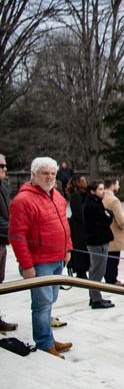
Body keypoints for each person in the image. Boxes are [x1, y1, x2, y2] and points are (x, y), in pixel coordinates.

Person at [8, 157, 73, 358]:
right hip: (39, 261)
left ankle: (48, 337)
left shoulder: (58, 197)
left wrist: (67, 249)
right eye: (45, 173)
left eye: (52, 173)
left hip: (57, 259)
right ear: (33, 175)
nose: (50, 177)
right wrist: (27, 265)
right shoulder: (23, 200)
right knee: (42, 303)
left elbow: (64, 225)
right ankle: (44, 342)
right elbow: (17, 236)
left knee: (50, 300)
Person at [82, 181, 115, 309]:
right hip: (97, 242)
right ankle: (96, 299)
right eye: (100, 189)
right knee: (97, 271)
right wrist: (108, 215)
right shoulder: (92, 205)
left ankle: (95, 296)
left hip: (98, 240)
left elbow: (108, 214)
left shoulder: (95, 203)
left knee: (96, 270)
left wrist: (108, 214)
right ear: (92, 191)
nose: (103, 191)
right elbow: (106, 219)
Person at [0, 153, 18, 332]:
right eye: (1, 166)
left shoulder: (3, 188)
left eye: (5, 165)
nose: (5, 168)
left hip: (2, 242)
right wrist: (16, 230)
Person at [103, 178, 124, 286]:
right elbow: (119, 218)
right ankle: (112, 279)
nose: (118, 186)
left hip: (106, 231)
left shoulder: (102, 197)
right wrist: (123, 226)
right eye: (117, 184)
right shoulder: (114, 200)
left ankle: (108, 277)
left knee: (108, 258)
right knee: (114, 258)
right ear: (112, 185)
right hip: (115, 232)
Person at [65, 175, 90, 279]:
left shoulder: (85, 194)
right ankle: (80, 271)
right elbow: (79, 213)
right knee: (80, 248)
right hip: (78, 227)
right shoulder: (75, 196)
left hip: (84, 226)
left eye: (85, 181)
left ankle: (84, 270)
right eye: (82, 181)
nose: (85, 183)